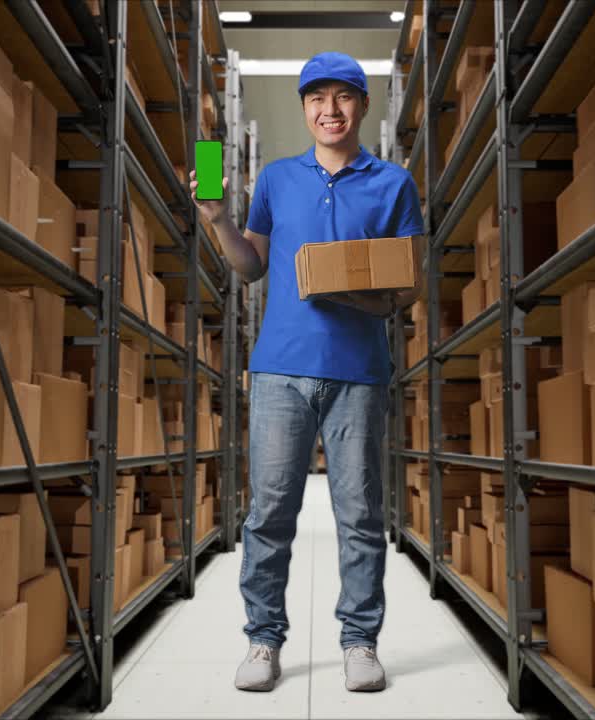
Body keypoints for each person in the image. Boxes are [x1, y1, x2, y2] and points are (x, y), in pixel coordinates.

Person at [190, 51, 425, 693]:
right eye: (316, 98)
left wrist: (358, 295)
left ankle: (359, 640)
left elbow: (407, 287)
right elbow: (251, 266)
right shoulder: (275, 180)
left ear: (362, 106)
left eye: (343, 97)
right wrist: (218, 221)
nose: (330, 110)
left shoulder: (394, 184)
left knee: (360, 513)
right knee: (268, 512)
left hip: (359, 371)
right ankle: (263, 641)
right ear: (303, 109)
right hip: (277, 370)